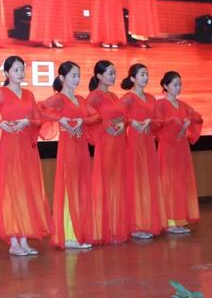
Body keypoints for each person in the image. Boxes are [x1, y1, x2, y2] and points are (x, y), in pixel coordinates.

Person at [0, 56, 53, 255]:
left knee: (27, 190)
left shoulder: (28, 94)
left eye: (22, 69)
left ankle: (24, 239)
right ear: (7, 73)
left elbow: (37, 120)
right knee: (12, 190)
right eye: (16, 70)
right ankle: (13, 241)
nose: (20, 73)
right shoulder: (1, 93)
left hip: (27, 147)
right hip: (10, 145)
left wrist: (27, 122)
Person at [39, 61, 100, 249]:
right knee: (69, 187)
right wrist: (60, 119)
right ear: (62, 77)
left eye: (78, 75)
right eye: (73, 75)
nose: (77, 79)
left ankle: (79, 232)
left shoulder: (80, 99)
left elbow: (97, 116)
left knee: (81, 186)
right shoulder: (59, 99)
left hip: (81, 147)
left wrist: (83, 121)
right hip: (68, 147)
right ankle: (68, 235)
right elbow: (39, 108)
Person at [120, 63, 167, 239]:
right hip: (134, 142)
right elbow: (117, 115)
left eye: (146, 74)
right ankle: (135, 225)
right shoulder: (128, 98)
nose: (145, 77)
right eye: (142, 74)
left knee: (148, 181)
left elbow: (159, 121)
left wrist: (150, 122)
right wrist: (131, 121)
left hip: (148, 142)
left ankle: (147, 222)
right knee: (136, 181)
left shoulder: (151, 98)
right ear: (133, 78)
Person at [85, 60, 129, 243]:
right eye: (110, 73)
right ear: (99, 76)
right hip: (106, 144)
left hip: (118, 143)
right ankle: (104, 229)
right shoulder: (94, 96)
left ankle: (116, 227)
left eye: (114, 73)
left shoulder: (113, 95)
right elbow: (88, 118)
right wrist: (106, 126)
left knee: (117, 184)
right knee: (106, 183)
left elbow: (125, 116)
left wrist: (122, 124)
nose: (113, 76)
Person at [156, 71, 203, 234]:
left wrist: (189, 123)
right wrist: (176, 125)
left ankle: (179, 219)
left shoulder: (183, 105)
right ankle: (170, 221)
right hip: (168, 148)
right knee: (169, 182)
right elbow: (158, 126)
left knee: (181, 181)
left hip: (182, 148)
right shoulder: (160, 105)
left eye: (180, 85)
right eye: (175, 85)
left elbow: (197, 118)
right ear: (165, 86)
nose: (178, 88)